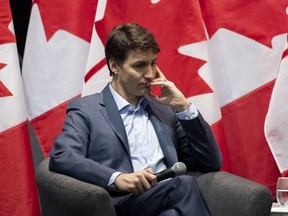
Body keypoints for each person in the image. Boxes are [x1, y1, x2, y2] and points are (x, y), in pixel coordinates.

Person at [49, 23, 222, 216]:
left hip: (168, 201)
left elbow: (210, 163)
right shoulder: (87, 109)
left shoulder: (164, 109)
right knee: (183, 184)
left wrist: (183, 108)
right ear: (114, 66)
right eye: (139, 65)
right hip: (124, 203)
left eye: (153, 63)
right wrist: (117, 178)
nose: (150, 74)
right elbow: (62, 156)